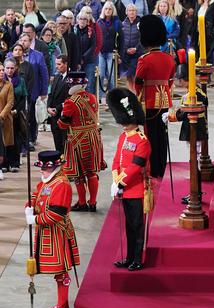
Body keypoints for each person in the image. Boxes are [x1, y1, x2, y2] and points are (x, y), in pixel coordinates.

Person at [25, 150, 80, 308]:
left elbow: (56, 214)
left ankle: (63, 307)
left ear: (55, 167)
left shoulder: (61, 184)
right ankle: (62, 306)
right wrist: (30, 205)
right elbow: (37, 195)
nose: (42, 171)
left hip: (58, 233)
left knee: (61, 272)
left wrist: (34, 218)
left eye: (45, 168)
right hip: (46, 233)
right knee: (58, 272)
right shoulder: (47, 182)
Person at [107, 87, 151, 272]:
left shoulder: (142, 141)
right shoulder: (123, 136)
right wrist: (115, 178)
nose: (123, 125)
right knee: (128, 226)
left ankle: (138, 258)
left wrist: (121, 182)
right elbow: (117, 159)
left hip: (136, 189)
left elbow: (136, 167)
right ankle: (129, 256)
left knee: (137, 226)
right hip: (124, 188)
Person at [134, 14, 175, 179]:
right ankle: (162, 167)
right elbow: (170, 81)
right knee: (162, 135)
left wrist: (139, 95)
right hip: (164, 100)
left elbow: (138, 81)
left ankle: (153, 169)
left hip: (149, 102)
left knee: (150, 136)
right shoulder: (169, 58)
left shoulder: (144, 59)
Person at [57, 71, 104, 212]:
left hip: (78, 140)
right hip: (94, 138)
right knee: (92, 172)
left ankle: (82, 202)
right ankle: (93, 202)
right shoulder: (93, 97)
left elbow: (62, 124)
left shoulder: (70, 102)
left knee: (78, 173)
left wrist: (60, 118)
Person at [165, 83, 208, 204]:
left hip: (195, 130)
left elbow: (185, 113)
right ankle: (195, 193)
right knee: (195, 161)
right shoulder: (197, 91)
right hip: (196, 130)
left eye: (181, 79)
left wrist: (170, 116)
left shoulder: (193, 95)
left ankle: (196, 194)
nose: (179, 82)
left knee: (195, 162)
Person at [3, 58, 27, 173]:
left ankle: (15, 163)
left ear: (16, 68)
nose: (9, 70)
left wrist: (16, 110)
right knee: (4, 139)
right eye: (7, 68)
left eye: (12, 68)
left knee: (16, 139)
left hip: (16, 114)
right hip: (4, 115)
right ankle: (5, 163)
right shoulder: (2, 82)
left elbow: (23, 97)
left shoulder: (21, 81)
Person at [97, 1, 121, 104]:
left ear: (113, 11)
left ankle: (112, 98)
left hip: (112, 52)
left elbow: (121, 39)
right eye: (106, 9)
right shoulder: (99, 22)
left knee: (112, 77)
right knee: (101, 74)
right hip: (101, 52)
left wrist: (119, 54)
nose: (108, 11)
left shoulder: (116, 22)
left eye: (110, 9)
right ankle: (100, 96)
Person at [47, 55, 70, 153]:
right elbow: (51, 94)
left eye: (59, 64)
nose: (56, 66)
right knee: (56, 139)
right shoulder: (56, 77)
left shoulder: (71, 79)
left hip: (63, 114)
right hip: (53, 115)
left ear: (65, 64)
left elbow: (70, 98)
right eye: (56, 64)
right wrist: (48, 107)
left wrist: (57, 108)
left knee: (64, 141)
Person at [120, 4, 143, 89]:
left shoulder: (141, 23)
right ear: (126, 12)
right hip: (126, 54)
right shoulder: (123, 24)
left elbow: (142, 38)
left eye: (133, 10)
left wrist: (136, 48)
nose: (132, 12)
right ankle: (131, 92)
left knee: (135, 74)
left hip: (137, 53)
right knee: (128, 75)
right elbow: (121, 39)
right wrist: (125, 49)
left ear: (136, 12)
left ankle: (136, 93)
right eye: (130, 10)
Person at [74, 12, 97, 95]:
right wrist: (78, 59)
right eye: (80, 19)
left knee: (89, 83)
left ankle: (89, 104)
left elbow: (93, 46)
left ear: (87, 21)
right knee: (77, 85)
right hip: (76, 61)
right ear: (77, 20)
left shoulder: (91, 31)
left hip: (89, 61)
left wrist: (83, 57)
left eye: (85, 19)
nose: (82, 21)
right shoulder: (74, 31)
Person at [0, 64, 14, 181]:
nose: (1, 72)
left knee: (3, 144)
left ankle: (2, 167)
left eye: (1, 70)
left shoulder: (8, 85)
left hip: (3, 119)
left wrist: (1, 116)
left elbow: (10, 103)